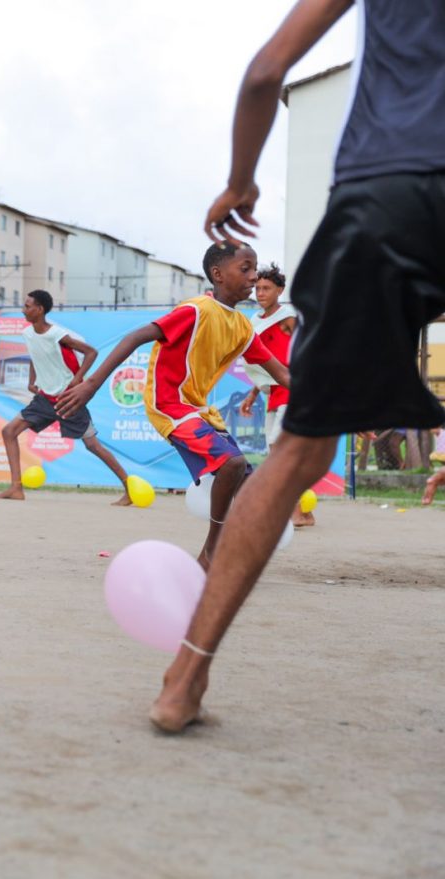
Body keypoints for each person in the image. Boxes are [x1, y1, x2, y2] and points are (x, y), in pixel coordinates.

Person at [139, 0, 445, 735]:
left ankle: (186, 675)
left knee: (298, 452)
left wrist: (241, 180)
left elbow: (266, 73)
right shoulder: (218, 315)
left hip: (387, 188)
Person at [58, 242, 289, 569]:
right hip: (168, 405)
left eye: (255, 269)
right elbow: (137, 336)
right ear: (218, 275)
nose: (254, 277)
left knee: (247, 482)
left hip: (199, 410)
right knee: (233, 464)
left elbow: (281, 373)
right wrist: (92, 384)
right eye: (246, 269)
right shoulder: (195, 310)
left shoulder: (241, 326)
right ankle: (213, 551)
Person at [0, 289, 133, 505]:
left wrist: (77, 380)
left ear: (39, 310)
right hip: (44, 399)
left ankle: (129, 489)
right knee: (9, 431)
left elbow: (91, 352)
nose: (24, 309)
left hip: (68, 400)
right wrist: (32, 381)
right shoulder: (28, 334)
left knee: (93, 446)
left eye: (28, 306)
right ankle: (16, 488)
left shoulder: (57, 334)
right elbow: (34, 356)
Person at [239, 264, 315, 526]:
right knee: (275, 452)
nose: (260, 292)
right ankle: (302, 510)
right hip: (272, 393)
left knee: (277, 450)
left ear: (280, 290)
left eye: (267, 288)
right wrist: (253, 394)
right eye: (258, 288)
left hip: (293, 390)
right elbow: (264, 364)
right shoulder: (254, 321)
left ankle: (292, 512)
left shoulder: (289, 318)